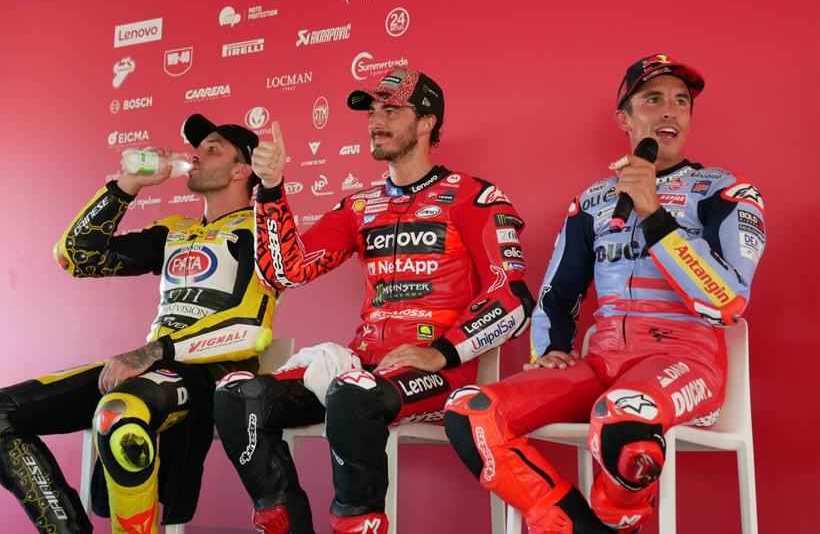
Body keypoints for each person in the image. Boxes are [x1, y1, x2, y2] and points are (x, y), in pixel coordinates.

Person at [444, 53, 766, 532]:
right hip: (601, 364)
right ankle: (572, 524)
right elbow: (558, 293)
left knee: (622, 421)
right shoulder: (593, 200)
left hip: (685, 360)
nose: (670, 111)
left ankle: (614, 518)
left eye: (681, 102)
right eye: (653, 99)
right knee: (471, 412)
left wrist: (654, 214)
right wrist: (550, 349)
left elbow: (726, 301)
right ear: (625, 118)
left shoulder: (725, 191)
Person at [212, 67, 535, 534]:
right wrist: (272, 189)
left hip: (435, 371)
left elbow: (513, 298)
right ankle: (282, 516)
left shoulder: (475, 197)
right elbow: (285, 270)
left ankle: (358, 522)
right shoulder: (360, 206)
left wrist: (441, 352)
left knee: (351, 394)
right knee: (236, 393)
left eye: (391, 110)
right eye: (372, 111)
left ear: (426, 123)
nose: (375, 121)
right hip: (362, 367)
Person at [0, 114, 277, 534]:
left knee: (118, 413)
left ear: (243, 169)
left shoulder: (263, 230)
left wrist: (153, 351)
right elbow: (75, 256)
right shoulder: (174, 230)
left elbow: (249, 327)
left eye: (212, 148)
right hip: (150, 369)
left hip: (210, 375)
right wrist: (128, 185)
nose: (196, 154)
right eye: (198, 147)